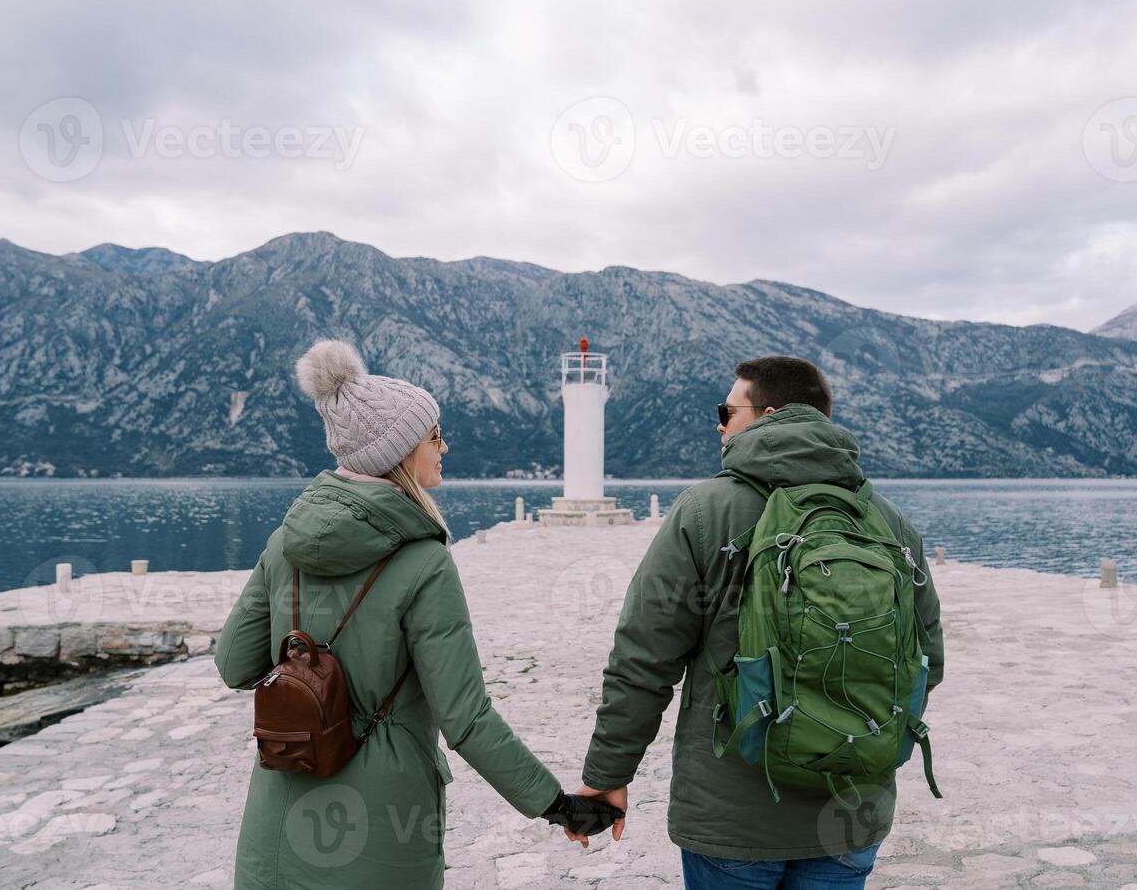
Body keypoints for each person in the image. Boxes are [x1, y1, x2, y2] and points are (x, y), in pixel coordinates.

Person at [214, 339, 621, 888]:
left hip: (276, 830)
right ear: (399, 451)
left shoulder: (283, 542)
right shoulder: (425, 563)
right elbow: (468, 719)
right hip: (381, 838)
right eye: (434, 437)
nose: (444, 447)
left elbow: (235, 665)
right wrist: (557, 805)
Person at [576, 356, 944, 889]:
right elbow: (925, 663)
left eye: (726, 411)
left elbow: (644, 660)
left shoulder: (705, 511)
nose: (720, 425)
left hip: (734, 814)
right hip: (849, 810)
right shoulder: (889, 524)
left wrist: (608, 776)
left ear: (768, 415)